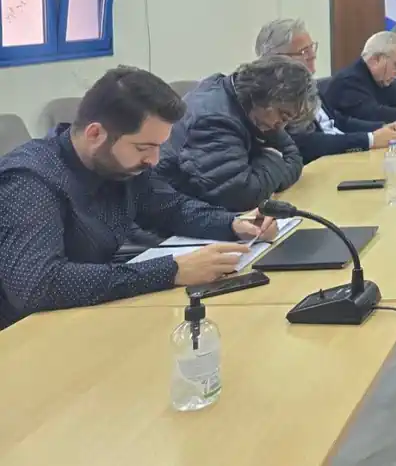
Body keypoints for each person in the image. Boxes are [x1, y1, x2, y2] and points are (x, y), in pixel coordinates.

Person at [0, 67, 278, 328]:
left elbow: (170, 208)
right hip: (25, 334)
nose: (153, 160)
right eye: (144, 147)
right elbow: (38, 286)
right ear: (95, 134)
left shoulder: (118, 165)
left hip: (83, 314)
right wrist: (171, 271)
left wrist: (233, 224)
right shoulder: (29, 181)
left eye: (158, 147)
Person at [156, 57, 316, 212]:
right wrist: (273, 157)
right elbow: (242, 196)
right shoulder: (214, 120)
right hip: (171, 214)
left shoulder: (254, 111)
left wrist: (264, 176)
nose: (281, 125)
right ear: (263, 95)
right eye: (283, 116)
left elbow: (294, 158)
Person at [254, 18, 396, 162]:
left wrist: (381, 128)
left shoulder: (308, 84)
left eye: (312, 48)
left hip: (339, 157)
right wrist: (371, 139)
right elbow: (305, 142)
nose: (313, 55)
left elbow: (337, 121)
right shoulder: (275, 95)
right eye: (304, 51)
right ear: (277, 58)